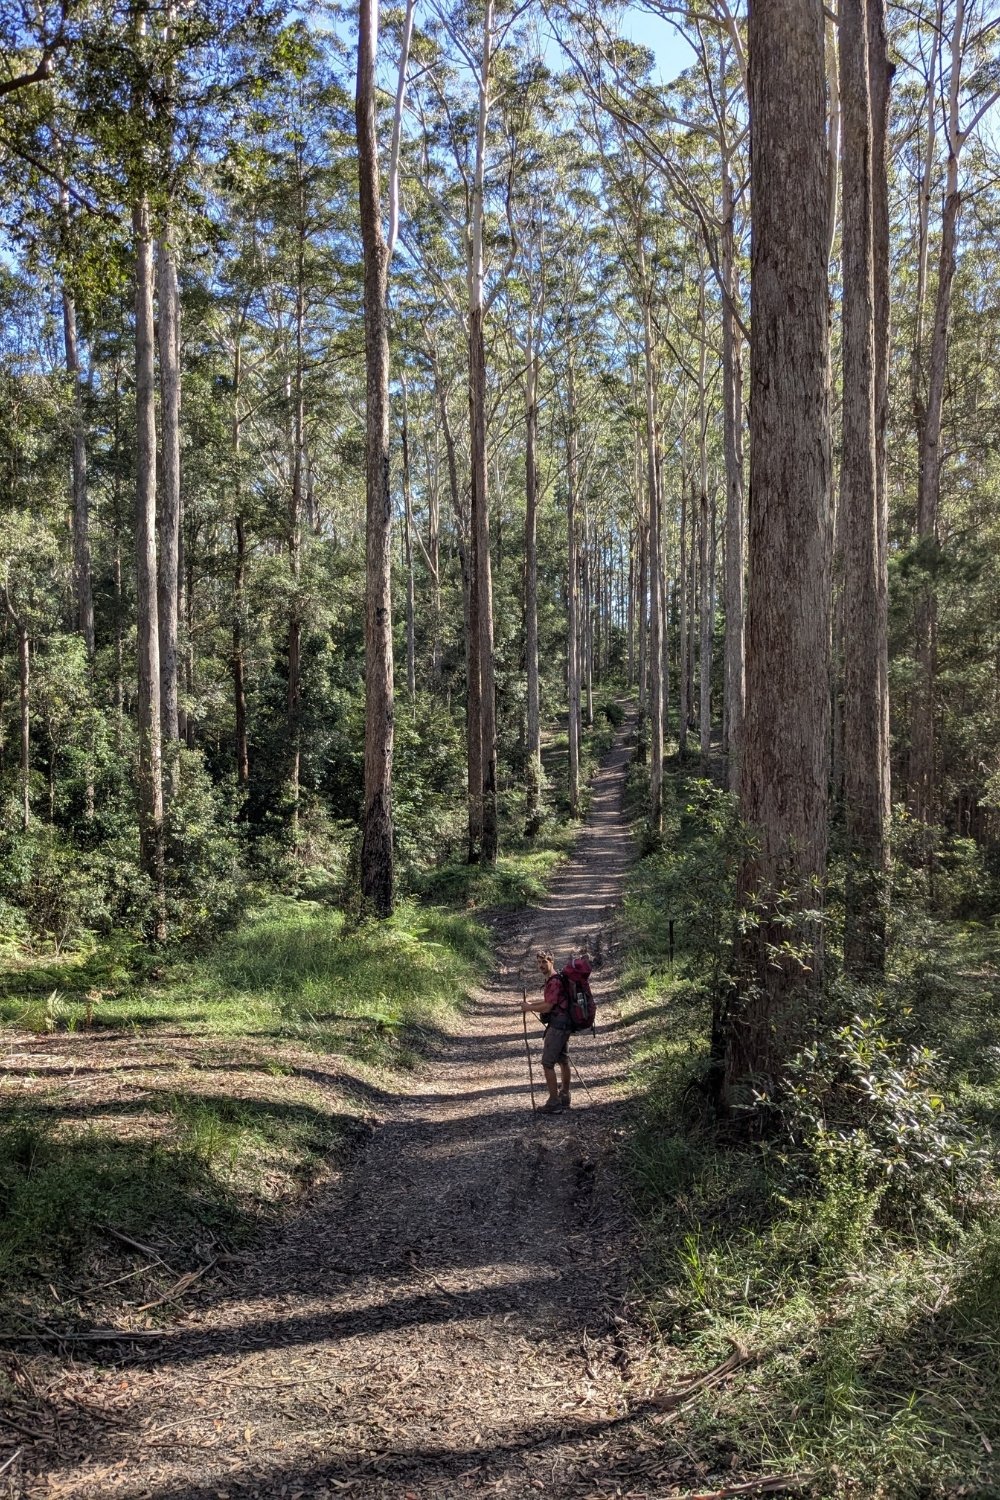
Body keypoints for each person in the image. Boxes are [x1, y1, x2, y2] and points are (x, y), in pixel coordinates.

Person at [522, 949, 571, 1115]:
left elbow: (548, 1006)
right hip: (564, 1024)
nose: (541, 965)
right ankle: (565, 1096)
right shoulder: (555, 980)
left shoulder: (554, 981)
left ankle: (554, 1102)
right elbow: (548, 1001)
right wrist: (531, 1004)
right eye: (539, 962)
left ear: (552, 962)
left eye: (544, 962)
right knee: (563, 1059)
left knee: (547, 1063)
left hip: (558, 1026)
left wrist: (529, 1008)